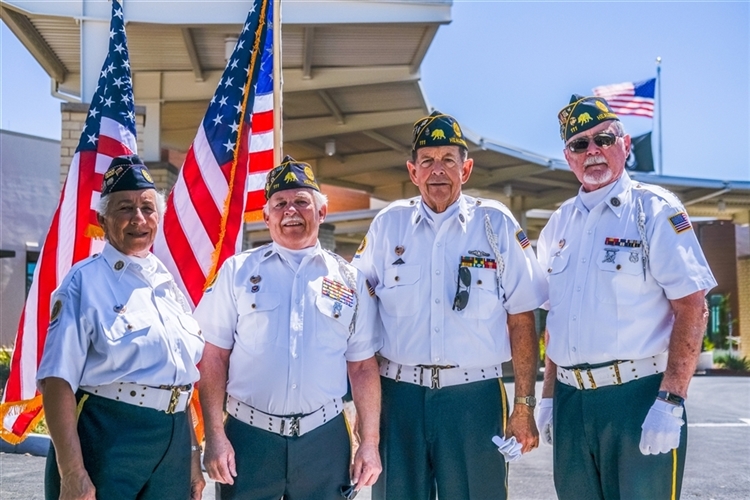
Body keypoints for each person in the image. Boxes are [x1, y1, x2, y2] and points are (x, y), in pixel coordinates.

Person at [353, 111, 548, 500]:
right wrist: (365, 413)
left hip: (474, 398)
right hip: (399, 397)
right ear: (413, 171)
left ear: (467, 168)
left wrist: (524, 405)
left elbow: (522, 319)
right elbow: (359, 314)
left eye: (448, 160)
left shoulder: (494, 224)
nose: (437, 170)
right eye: (427, 161)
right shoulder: (389, 225)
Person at [536, 95, 717, 500]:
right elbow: (556, 319)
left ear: (625, 143)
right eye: (580, 145)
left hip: (637, 397)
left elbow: (692, 306)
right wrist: (548, 397)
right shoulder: (558, 224)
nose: (593, 151)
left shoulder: (654, 210)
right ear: (569, 157)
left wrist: (670, 399)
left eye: (603, 138)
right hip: (571, 401)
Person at [195, 156, 382, 500]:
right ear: (266, 216)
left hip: (323, 439)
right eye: (280, 203)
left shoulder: (350, 280)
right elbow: (213, 357)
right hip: (249, 439)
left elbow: (363, 367)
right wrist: (215, 435)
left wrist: (369, 443)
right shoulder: (237, 273)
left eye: (301, 202)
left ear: (321, 213)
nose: (291, 211)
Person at [37, 155, 206, 500]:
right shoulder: (83, 282)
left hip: (172, 440)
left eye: (147, 207)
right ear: (102, 220)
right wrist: (72, 471)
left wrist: (191, 458)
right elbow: (56, 379)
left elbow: (179, 378)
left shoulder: (166, 282)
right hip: (109, 433)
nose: (138, 219)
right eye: (125, 208)